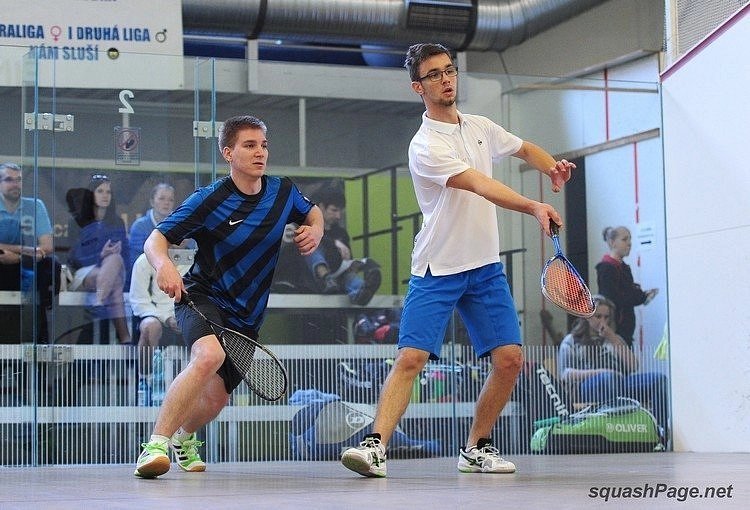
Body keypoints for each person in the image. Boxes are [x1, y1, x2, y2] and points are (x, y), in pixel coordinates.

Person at [340, 43, 575, 477]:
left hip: (484, 267)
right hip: (438, 268)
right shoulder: (425, 145)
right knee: (411, 358)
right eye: (434, 74)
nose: (446, 79)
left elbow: (524, 148)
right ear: (418, 87)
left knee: (510, 359)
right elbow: (480, 184)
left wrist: (551, 168)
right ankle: (375, 446)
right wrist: (533, 206)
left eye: (449, 70)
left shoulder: (480, 126)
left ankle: (476, 448)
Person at [133, 115, 324, 478]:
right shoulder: (209, 199)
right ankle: (155, 445)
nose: (260, 153)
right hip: (202, 297)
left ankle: (183, 438)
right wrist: (164, 266)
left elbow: (312, 213)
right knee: (209, 355)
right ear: (228, 153)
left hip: (246, 317)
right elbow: (155, 240)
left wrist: (316, 230)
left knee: (217, 398)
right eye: (249, 146)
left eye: (263, 145)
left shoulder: (283, 192)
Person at [556, 294, 668, 435]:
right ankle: (619, 429)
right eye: (598, 316)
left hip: (620, 383)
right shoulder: (571, 340)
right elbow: (566, 374)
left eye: (606, 317)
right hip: (588, 386)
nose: (603, 321)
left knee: (659, 380)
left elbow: (633, 366)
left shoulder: (614, 339)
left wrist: (613, 338)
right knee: (608, 378)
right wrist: (602, 372)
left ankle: (659, 430)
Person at [65, 174, 131, 344]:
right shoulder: (77, 221)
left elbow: (126, 256)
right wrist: (101, 256)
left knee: (115, 259)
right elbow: (75, 257)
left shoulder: (117, 222)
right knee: (115, 284)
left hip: (113, 270)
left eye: (108, 192)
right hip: (84, 273)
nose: (105, 195)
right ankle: (125, 337)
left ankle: (99, 302)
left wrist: (114, 253)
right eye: (100, 191)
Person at [0, 162, 61, 343]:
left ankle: (39, 332)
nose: (15, 184)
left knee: (51, 263)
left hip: (26, 266)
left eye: (18, 180)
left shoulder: (35, 206)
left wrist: (18, 256)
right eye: (9, 180)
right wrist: (24, 250)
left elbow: (47, 246)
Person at [303, 189, 382, 306]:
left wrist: (353, 266)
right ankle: (326, 279)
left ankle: (361, 292)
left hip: (339, 276)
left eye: (340, 211)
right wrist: (334, 243)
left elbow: (348, 258)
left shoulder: (341, 233)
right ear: (321, 207)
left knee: (350, 277)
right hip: (313, 279)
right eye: (334, 210)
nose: (338, 216)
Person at [596, 226, 658, 347]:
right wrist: (639, 297)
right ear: (612, 242)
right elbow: (612, 299)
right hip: (615, 329)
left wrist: (640, 294)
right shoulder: (606, 268)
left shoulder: (624, 267)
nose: (629, 243)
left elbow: (628, 291)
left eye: (630, 239)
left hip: (626, 329)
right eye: (624, 239)